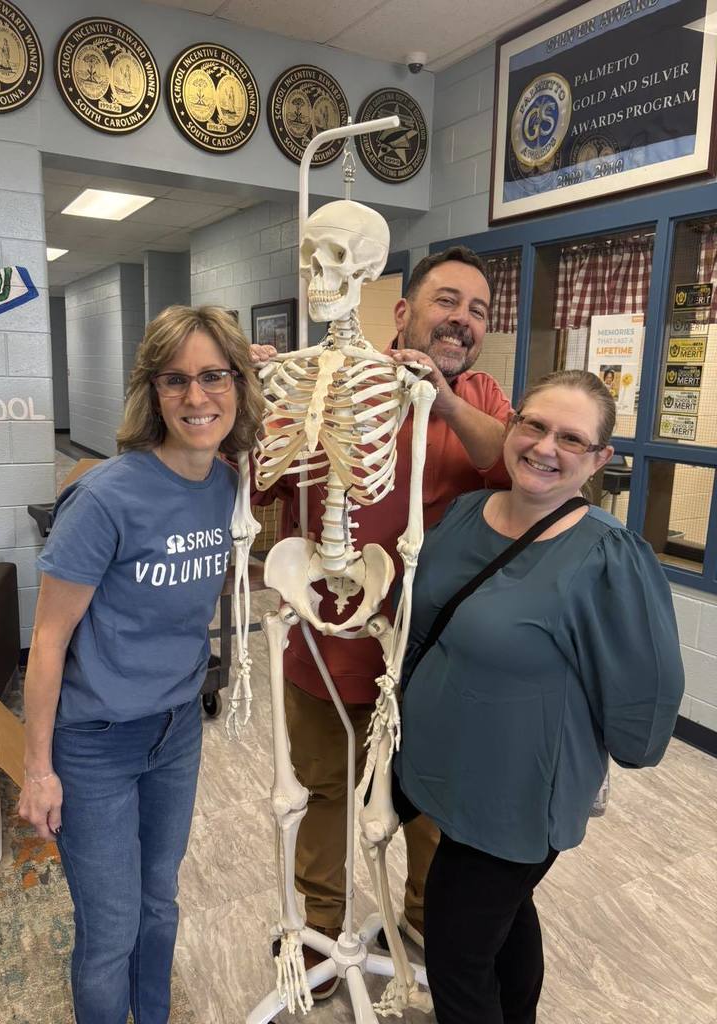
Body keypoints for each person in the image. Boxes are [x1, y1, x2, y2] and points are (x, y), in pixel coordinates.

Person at [253, 246, 513, 997]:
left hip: (430, 657)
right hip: (325, 644)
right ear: (402, 312)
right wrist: (257, 393)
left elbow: (509, 461)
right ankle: (321, 929)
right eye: (447, 302)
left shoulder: (482, 396)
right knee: (324, 793)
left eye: (478, 311)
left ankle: (424, 926)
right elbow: (260, 483)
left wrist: (444, 397)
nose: (462, 321)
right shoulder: (334, 388)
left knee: (429, 801)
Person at [396, 369, 685, 1024]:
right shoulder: (468, 513)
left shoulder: (607, 558)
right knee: (507, 919)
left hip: (518, 800)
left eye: (572, 438)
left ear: (599, 460)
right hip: (450, 773)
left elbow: (645, 707)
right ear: (512, 424)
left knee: (457, 951)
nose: (545, 446)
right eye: (534, 425)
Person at [17, 306, 267, 1024]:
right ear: (151, 392)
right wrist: (38, 769)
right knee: (111, 931)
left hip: (176, 731)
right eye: (176, 380)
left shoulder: (227, 487)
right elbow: (47, 642)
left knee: (160, 902)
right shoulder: (104, 497)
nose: (197, 398)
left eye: (215, 377)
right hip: (95, 743)